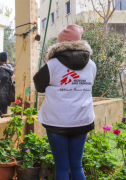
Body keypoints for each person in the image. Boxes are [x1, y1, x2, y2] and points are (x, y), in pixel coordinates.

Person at [33, 24, 96, 180]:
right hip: (82, 119)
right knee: (77, 165)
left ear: (60, 44)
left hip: (57, 121)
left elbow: (39, 86)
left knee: (61, 167)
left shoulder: (52, 65)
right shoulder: (91, 65)